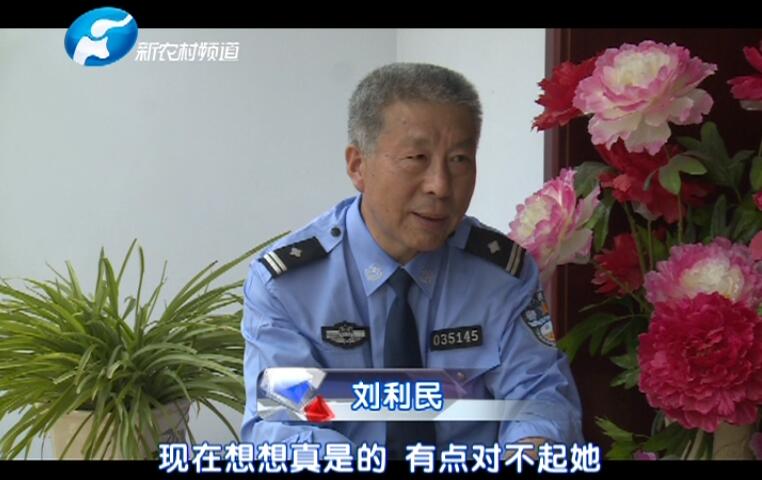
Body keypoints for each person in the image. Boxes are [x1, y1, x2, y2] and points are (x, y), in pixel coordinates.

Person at [241, 63, 583, 459]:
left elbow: (540, 397)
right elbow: (281, 426)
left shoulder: (502, 276)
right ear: (357, 165)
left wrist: (528, 451)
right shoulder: (288, 284)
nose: (440, 185)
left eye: (459, 159)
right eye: (416, 157)